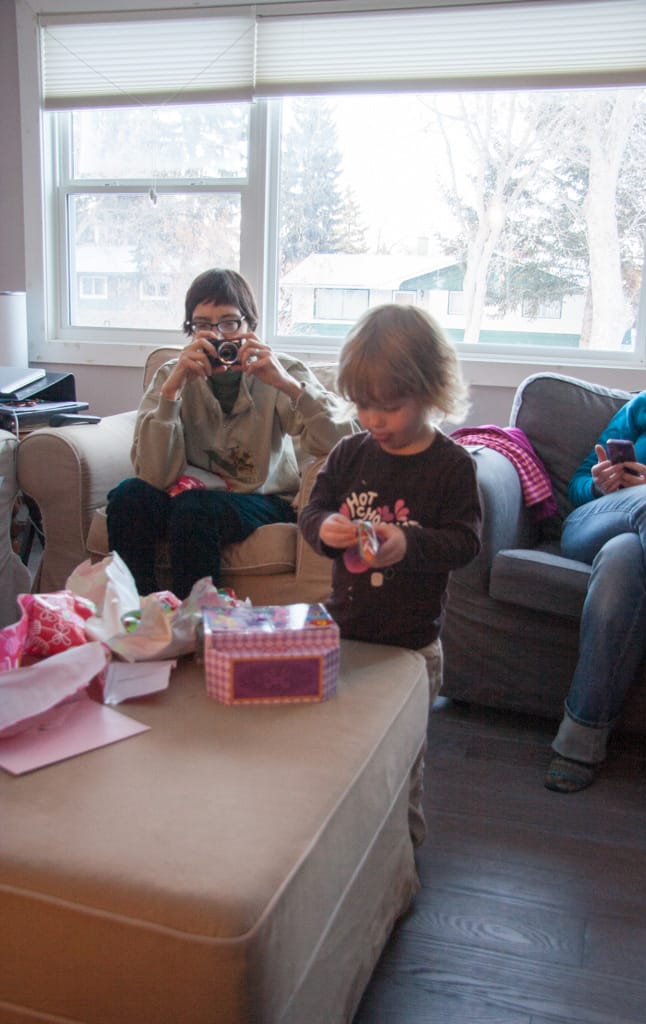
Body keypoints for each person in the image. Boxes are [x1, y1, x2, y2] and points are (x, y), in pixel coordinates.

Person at [298, 303, 482, 844]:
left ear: (431, 392)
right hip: (347, 632)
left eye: (390, 407)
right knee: (346, 746)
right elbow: (314, 511)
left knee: (403, 754)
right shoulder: (350, 453)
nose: (374, 420)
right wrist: (325, 526)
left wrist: (408, 543)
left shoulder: (452, 466)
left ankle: (403, 847)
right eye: (363, 405)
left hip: (412, 647)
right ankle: (352, 839)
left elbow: (466, 542)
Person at [106, 268, 354, 599]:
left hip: (261, 497)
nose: (219, 336)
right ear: (190, 331)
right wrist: (171, 394)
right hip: (187, 493)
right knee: (128, 496)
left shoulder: (281, 370)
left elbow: (345, 444)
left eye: (229, 323)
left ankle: (196, 625)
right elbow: (153, 474)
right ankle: (138, 613)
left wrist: (288, 386)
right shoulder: (172, 375)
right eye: (204, 325)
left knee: (195, 510)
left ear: (250, 326)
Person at [544, 382, 646, 793]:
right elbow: (577, 486)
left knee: (626, 556)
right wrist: (600, 483)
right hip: (597, 521)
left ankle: (578, 743)